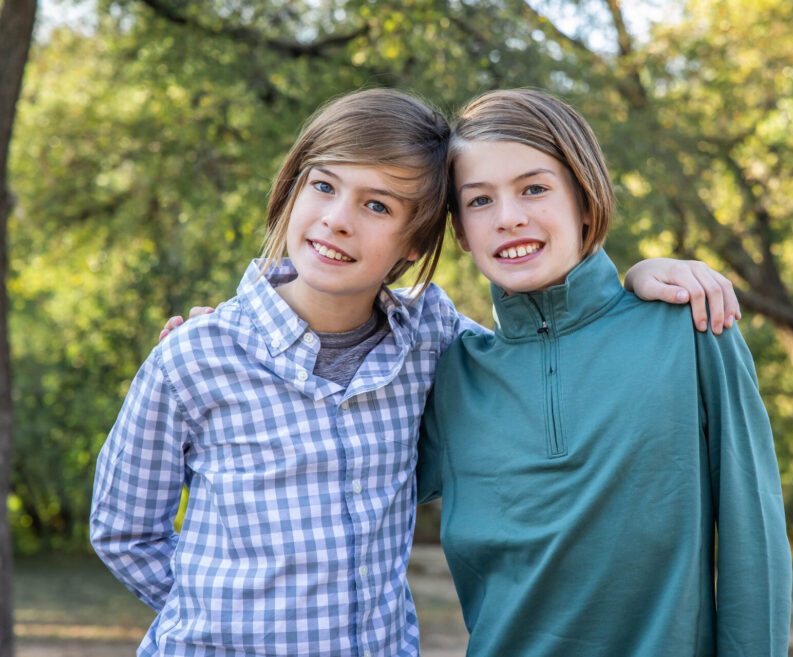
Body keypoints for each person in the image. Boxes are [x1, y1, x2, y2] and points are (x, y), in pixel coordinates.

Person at [92, 88, 740, 657]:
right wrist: (220, 617)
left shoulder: (432, 338)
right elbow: (124, 530)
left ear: (415, 242)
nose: (338, 218)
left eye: (378, 206)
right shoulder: (196, 355)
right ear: (290, 191)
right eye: (322, 185)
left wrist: (633, 280)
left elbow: (539, 356)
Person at [417, 89, 792, 656]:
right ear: (461, 233)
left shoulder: (689, 327)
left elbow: (754, 542)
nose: (509, 217)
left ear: (585, 201)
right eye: (479, 201)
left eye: (534, 188)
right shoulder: (453, 374)